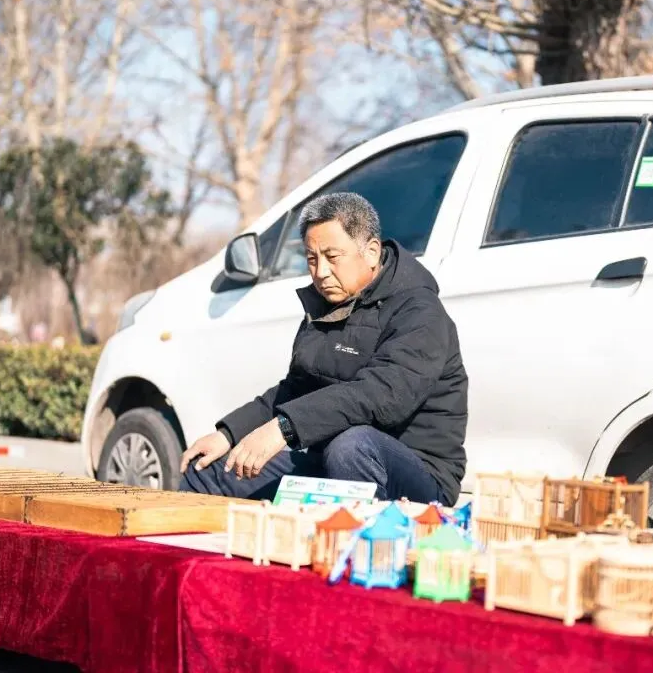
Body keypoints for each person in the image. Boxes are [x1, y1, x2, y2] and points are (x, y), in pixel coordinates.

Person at [179, 191, 468, 505]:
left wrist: (284, 428)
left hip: (414, 477)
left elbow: (380, 396)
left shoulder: (420, 312)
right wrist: (228, 434)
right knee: (207, 471)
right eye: (312, 258)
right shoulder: (326, 306)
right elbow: (296, 388)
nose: (320, 271)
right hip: (331, 464)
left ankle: (355, 550)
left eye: (333, 257)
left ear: (371, 252)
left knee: (350, 447)